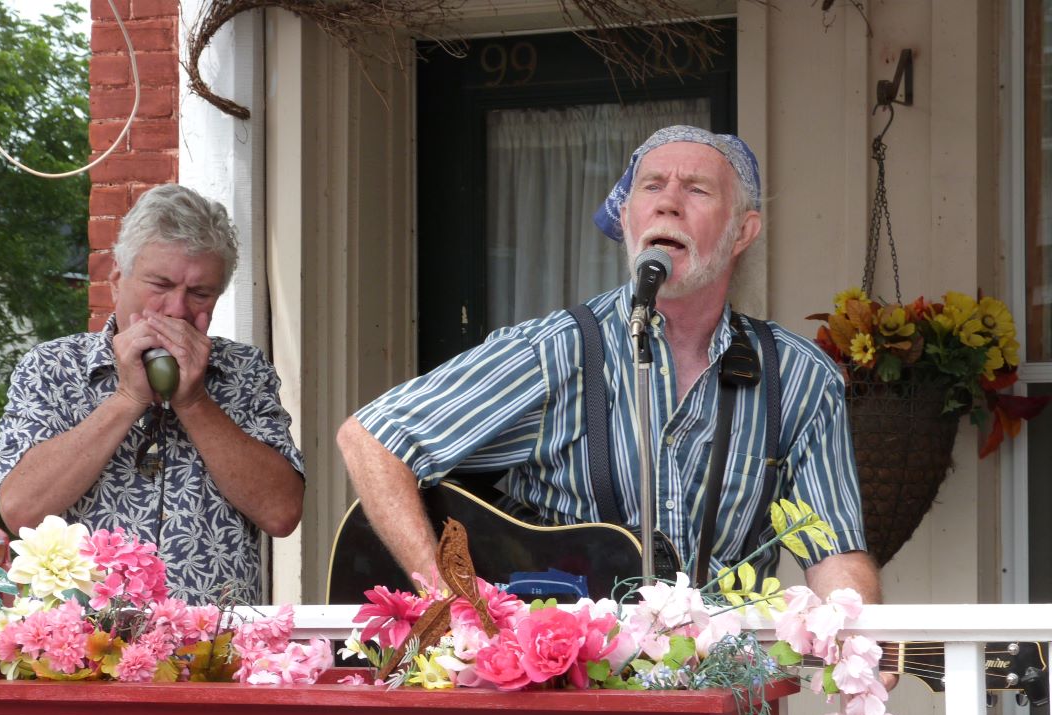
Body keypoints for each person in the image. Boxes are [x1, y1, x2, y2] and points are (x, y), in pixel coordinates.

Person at [337, 124, 880, 606]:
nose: (668, 203)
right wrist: (447, 600)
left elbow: (833, 551)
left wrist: (863, 651)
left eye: (696, 189)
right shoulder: (559, 350)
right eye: (652, 186)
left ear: (742, 232)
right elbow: (371, 438)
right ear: (626, 218)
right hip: (562, 704)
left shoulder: (800, 378)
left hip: (719, 694)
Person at [0, 183, 304, 604]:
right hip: (79, 653)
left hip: (212, 651)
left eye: (200, 293)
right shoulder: (51, 366)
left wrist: (194, 402)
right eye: (160, 284)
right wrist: (126, 399)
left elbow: (281, 513)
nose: (177, 310)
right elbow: (21, 511)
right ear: (117, 282)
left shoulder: (244, 370)